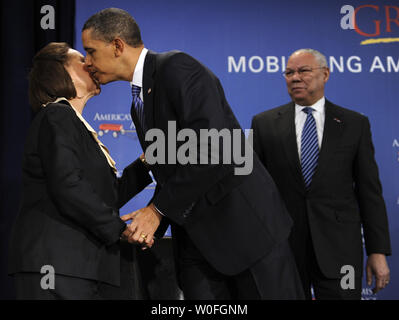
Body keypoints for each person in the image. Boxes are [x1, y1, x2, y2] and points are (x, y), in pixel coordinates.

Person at [81, 8, 304, 300]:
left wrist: (157, 211)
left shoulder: (175, 67)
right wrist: (154, 222)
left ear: (117, 45)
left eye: (90, 51)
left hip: (246, 233)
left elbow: (218, 147)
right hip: (197, 242)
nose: (87, 62)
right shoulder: (138, 104)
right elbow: (174, 172)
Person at [8, 42, 153, 300]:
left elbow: (104, 198)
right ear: (61, 71)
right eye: (82, 61)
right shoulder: (56, 116)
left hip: (79, 267)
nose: (91, 64)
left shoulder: (73, 124)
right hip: (56, 266)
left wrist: (146, 163)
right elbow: (68, 186)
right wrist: (120, 229)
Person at [251, 48, 391, 300]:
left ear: (325, 74)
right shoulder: (264, 123)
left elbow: (369, 193)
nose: (295, 78)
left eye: (304, 71)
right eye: (289, 72)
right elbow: (253, 190)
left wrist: (377, 251)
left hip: (340, 250)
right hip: (283, 248)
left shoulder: (354, 124)